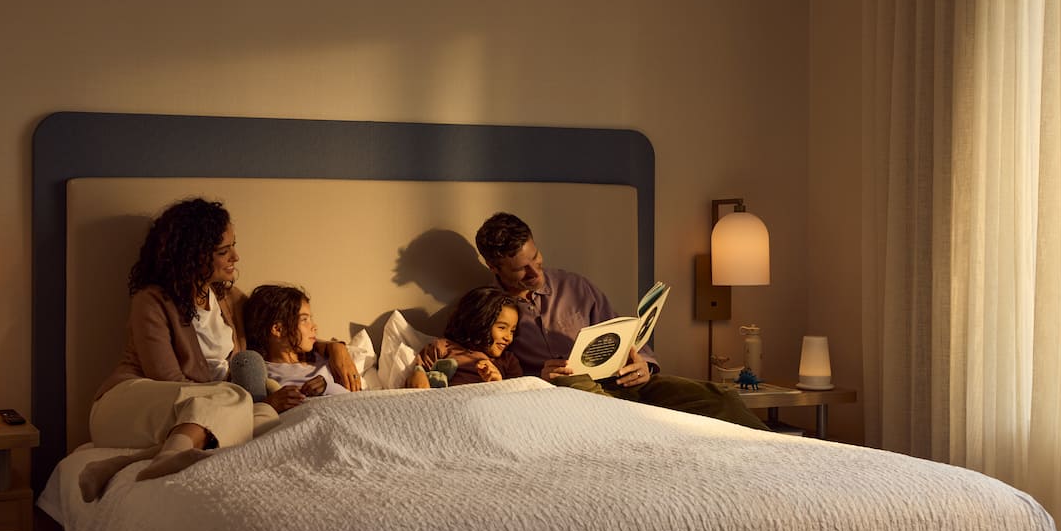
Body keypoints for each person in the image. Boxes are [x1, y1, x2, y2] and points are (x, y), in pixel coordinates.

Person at [78, 198, 357, 502]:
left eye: (233, 246)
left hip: (200, 410)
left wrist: (333, 347)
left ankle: (134, 463)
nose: (235, 256)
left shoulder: (229, 299)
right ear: (192, 255)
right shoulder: (152, 302)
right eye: (224, 251)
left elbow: (277, 327)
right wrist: (244, 400)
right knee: (242, 401)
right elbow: (168, 378)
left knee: (261, 410)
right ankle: (168, 456)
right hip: (131, 403)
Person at [425, 212, 766, 430]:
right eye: (521, 269)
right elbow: (476, 364)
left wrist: (644, 363)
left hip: (627, 383)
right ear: (494, 268)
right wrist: (536, 376)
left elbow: (622, 334)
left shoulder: (576, 286)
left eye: (536, 258)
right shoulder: (488, 309)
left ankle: (797, 455)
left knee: (720, 398)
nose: (535, 272)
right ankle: (641, 427)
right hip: (570, 392)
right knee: (579, 389)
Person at [243, 284, 352, 405]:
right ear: (278, 329)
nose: (314, 327)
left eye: (311, 318)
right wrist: (271, 403)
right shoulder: (264, 373)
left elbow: (355, 398)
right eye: (304, 320)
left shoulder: (326, 359)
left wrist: (328, 387)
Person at [409, 286, 523, 387]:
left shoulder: (508, 362)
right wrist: (419, 378)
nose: (509, 338)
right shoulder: (443, 348)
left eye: (512, 331)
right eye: (502, 328)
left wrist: (498, 384)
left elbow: (518, 399)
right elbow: (418, 375)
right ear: (479, 322)